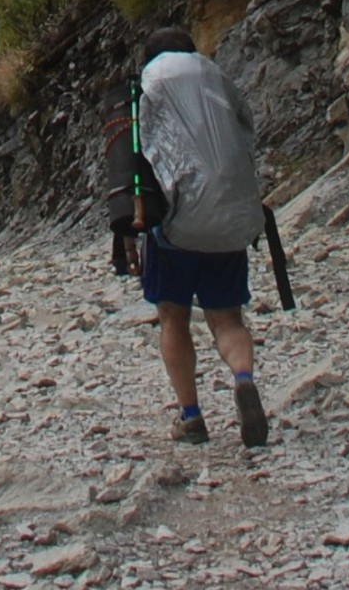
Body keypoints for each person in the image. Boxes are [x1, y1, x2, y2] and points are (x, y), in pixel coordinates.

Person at [136, 26, 269, 448]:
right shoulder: (216, 76)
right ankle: (243, 379)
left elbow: (139, 154)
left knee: (173, 316)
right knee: (228, 319)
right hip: (231, 220)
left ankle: (191, 417)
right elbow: (248, 133)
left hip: (176, 226)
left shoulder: (150, 83)